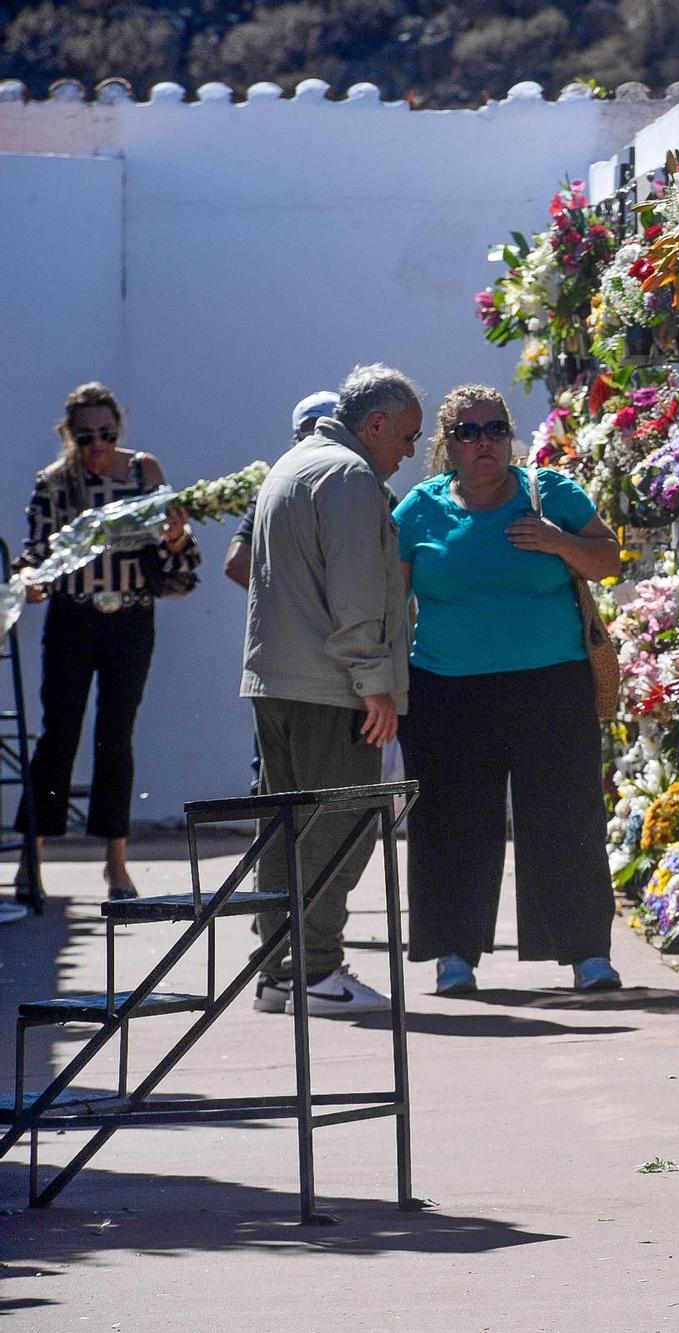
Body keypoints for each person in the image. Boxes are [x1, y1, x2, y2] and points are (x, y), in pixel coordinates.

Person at [394, 385, 623, 994]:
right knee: (452, 823)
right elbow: (391, 601)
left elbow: (609, 561)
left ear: (509, 437)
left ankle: (586, 954)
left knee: (565, 817)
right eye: (468, 432)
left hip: (551, 683)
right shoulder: (418, 510)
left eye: (495, 429)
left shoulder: (550, 493)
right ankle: (454, 954)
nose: (484, 442)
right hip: (445, 691)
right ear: (447, 445)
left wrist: (558, 541)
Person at [241, 364, 420, 1016]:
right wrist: (375, 684)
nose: (410, 451)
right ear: (375, 424)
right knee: (339, 827)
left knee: (284, 827)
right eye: (407, 435)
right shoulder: (348, 476)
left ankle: (277, 973)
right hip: (332, 688)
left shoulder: (291, 466)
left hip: (277, 682)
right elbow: (355, 591)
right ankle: (315, 972)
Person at [14, 382, 196, 900]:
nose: (97, 444)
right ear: (68, 435)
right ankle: (32, 856)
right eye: (85, 436)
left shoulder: (143, 472)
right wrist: (28, 580)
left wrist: (177, 535)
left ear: (119, 429)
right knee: (59, 734)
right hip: (73, 617)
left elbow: (176, 546)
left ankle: (116, 860)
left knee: (116, 735)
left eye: (106, 433)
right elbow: (35, 551)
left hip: (130, 618)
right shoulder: (55, 482)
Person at [225, 390, 335, 591]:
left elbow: (237, 562)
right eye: (311, 432)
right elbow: (237, 563)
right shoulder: (368, 486)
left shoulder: (274, 488)